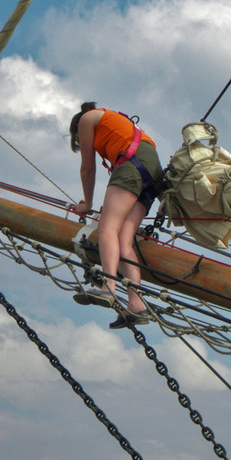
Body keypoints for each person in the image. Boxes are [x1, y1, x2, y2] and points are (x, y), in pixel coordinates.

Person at [69, 102, 164, 328]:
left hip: (132, 163)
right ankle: (136, 305)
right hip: (153, 171)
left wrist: (87, 203)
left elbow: (87, 168)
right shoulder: (114, 121)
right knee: (124, 240)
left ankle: (108, 288)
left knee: (107, 227)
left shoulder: (87, 118)